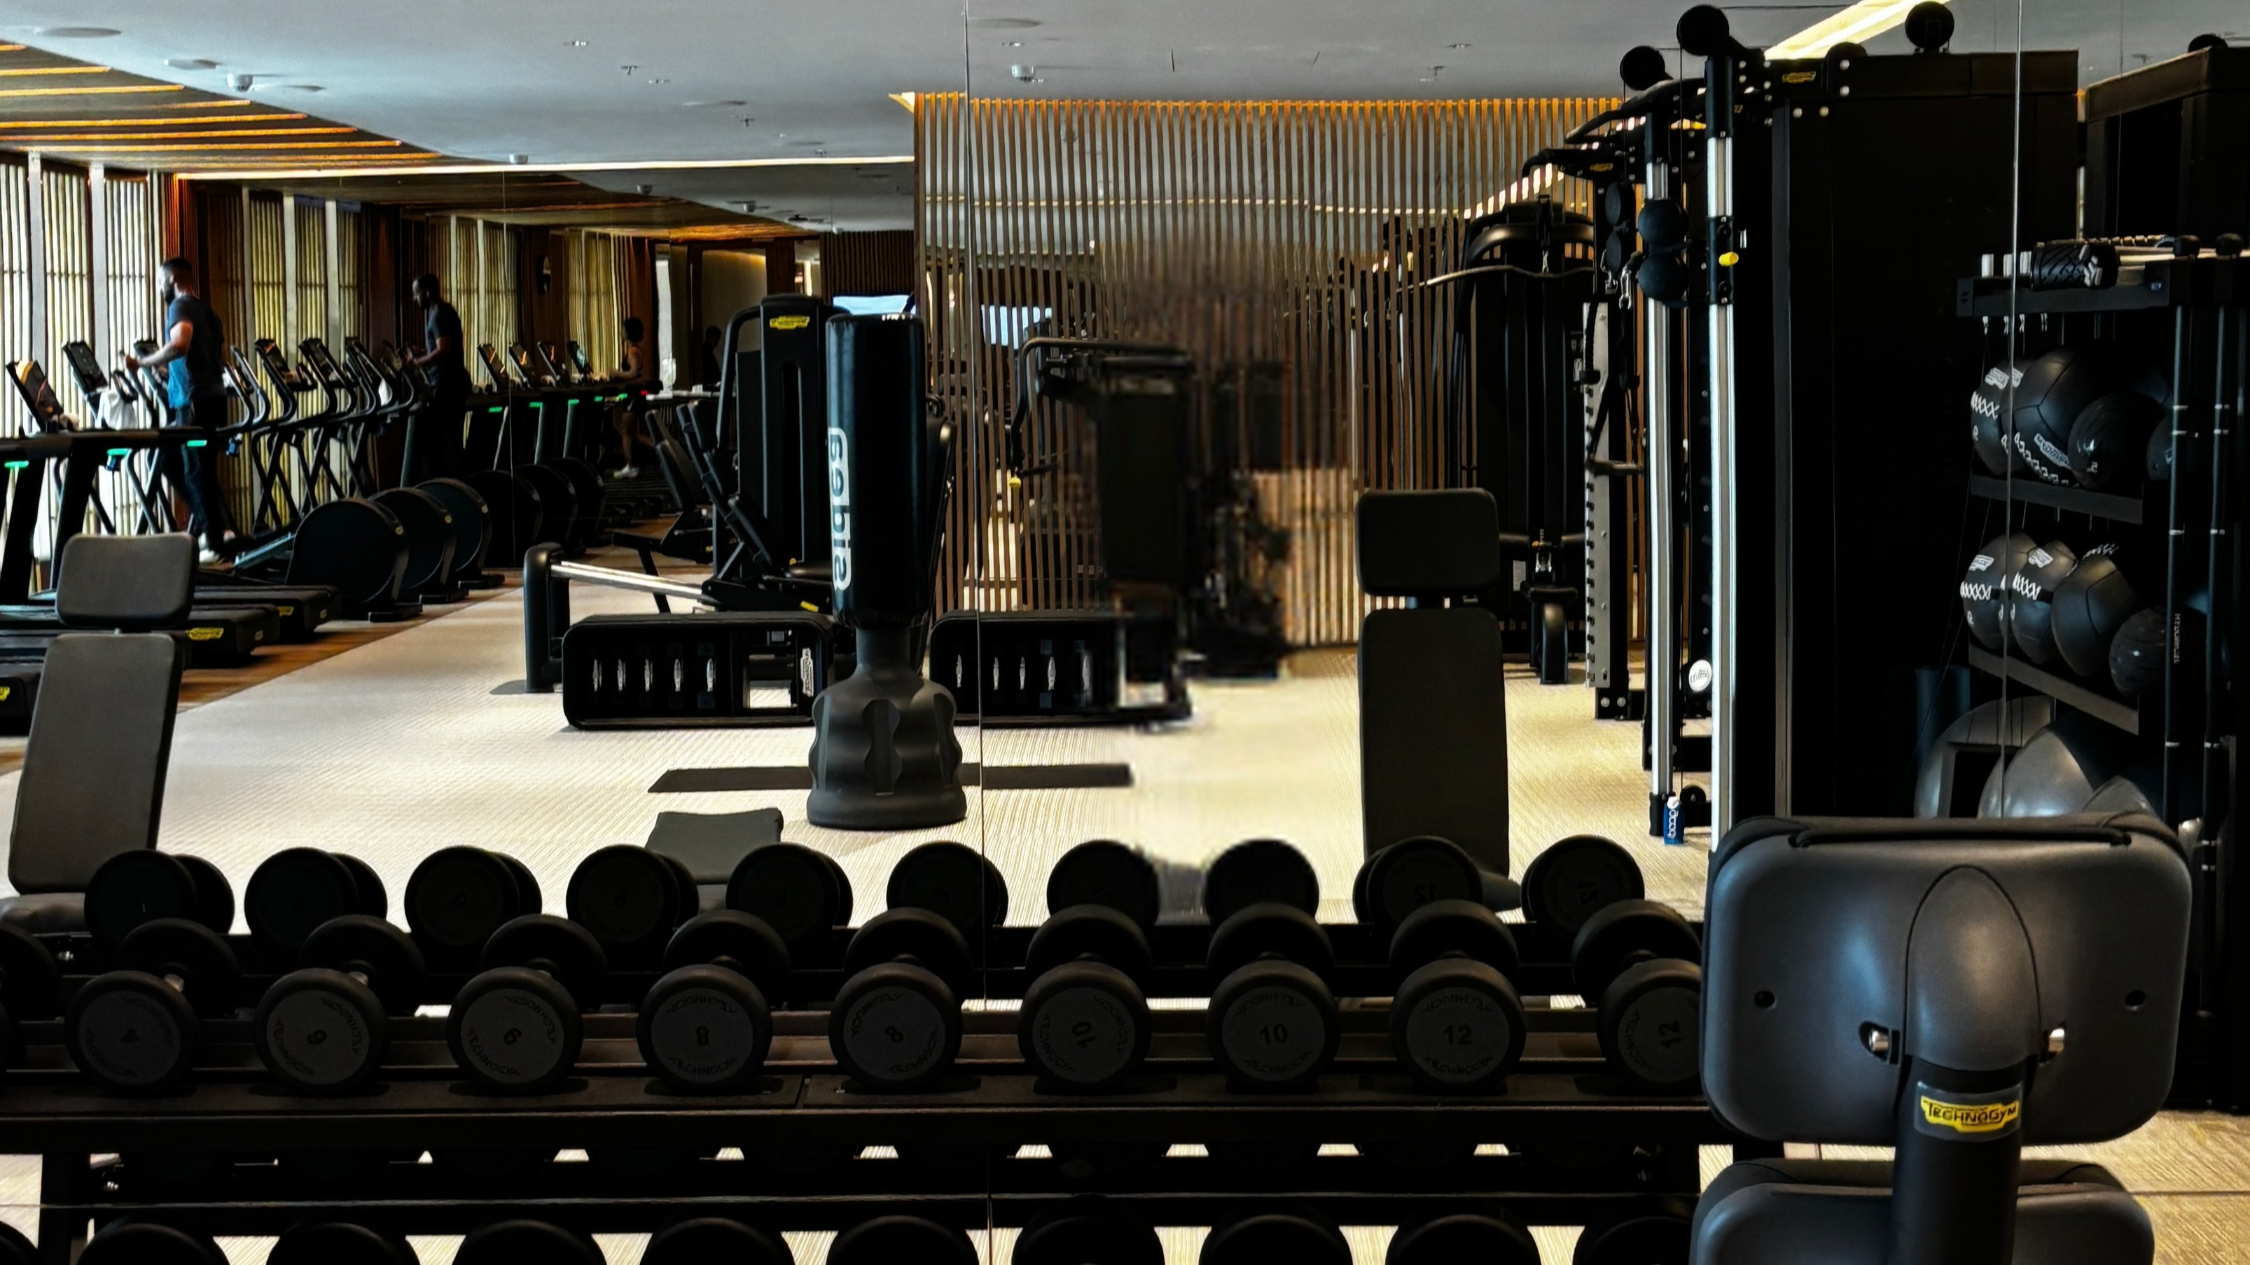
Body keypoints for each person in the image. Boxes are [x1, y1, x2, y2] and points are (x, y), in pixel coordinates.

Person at [124, 257, 236, 563]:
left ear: (172, 279)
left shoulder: (180, 306)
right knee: (172, 461)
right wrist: (167, 373)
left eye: (161, 281)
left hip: (194, 402)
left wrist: (142, 363)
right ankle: (217, 529)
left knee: (194, 470)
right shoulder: (207, 312)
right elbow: (205, 357)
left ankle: (215, 542)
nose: (161, 287)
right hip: (212, 398)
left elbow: (180, 344)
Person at [400, 273, 469, 481]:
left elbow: (443, 349)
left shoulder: (438, 314)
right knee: (450, 441)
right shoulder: (444, 311)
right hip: (454, 383)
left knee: (436, 440)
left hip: (447, 385)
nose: (415, 298)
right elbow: (442, 346)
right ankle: (454, 484)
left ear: (427, 292)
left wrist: (416, 362)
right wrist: (421, 352)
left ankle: (446, 485)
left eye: (416, 293)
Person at [611, 316, 653, 477]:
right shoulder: (633, 350)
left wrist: (615, 373)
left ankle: (630, 466)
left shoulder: (633, 351)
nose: (621, 331)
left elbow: (633, 373)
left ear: (629, 332)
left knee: (625, 431)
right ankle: (657, 449)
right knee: (631, 433)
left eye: (623, 329)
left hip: (633, 395)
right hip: (633, 395)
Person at [699, 324, 723, 389]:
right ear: (712, 337)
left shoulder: (706, 350)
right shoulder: (707, 352)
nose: (717, 342)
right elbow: (711, 371)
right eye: (717, 339)